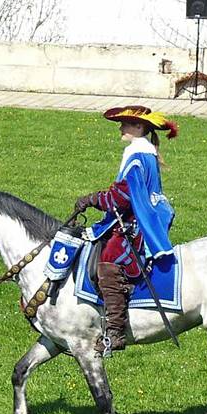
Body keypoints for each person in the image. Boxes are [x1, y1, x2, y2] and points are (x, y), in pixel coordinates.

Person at [74, 105, 178, 356]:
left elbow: (122, 197)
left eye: (125, 124)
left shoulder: (137, 154)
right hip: (133, 220)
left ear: (139, 127)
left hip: (134, 227)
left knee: (109, 262)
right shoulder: (144, 152)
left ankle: (115, 333)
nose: (120, 128)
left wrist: (93, 199)